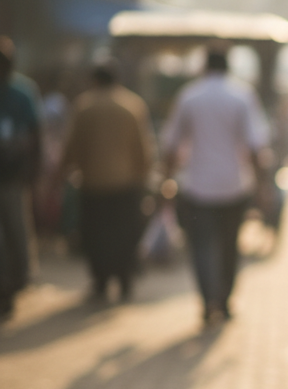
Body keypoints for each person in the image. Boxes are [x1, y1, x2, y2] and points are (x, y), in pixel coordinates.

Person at [161, 49, 269, 325]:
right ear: (228, 66)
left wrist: (166, 179)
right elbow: (256, 146)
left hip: (197, 186)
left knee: (201, 246)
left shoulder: (189, 96)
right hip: (234, 186)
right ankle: (224, 299)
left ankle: (208, 300)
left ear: (203, 66)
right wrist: (261, 184)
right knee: (229, 245)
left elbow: (171, 144)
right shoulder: (242, 96)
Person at [59, 60, 155, 302]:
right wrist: (143, 177)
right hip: (126, 184)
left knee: (95, 235)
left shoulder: (84, 106)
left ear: (95, 80)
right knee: (123, 233)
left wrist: (61, 174)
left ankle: (100, 280)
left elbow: (71, 148)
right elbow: (143, 149)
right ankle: (124, 279)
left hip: (93, 183)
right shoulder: (132, 105)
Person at [0, 37, 41, 319]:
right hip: (13, 176)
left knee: (15, 232)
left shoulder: (22, 93)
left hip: (13, 176)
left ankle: (15, 282)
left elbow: (35, 136)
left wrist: (33, 170)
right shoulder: (24, 92)